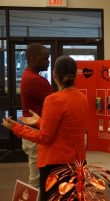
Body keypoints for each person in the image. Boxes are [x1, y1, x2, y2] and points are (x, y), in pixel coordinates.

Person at [2, 56, 89, 200]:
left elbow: (44, 137)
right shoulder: (82, 98)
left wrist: (16, 128)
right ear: (75, 75)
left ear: (55, 75)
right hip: (77, 163)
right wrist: (39, 121)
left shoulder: (53, 100)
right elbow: (64, 129)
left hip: (55, 167)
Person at [21, 43, 53, 188]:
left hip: (33, 132)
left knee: (39, 176)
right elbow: (56, 102)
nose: (48, 62)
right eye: (45, 59)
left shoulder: (30, 76)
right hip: (35, 133)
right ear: (31, 57)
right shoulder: (34, 80)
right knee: (37, 179)